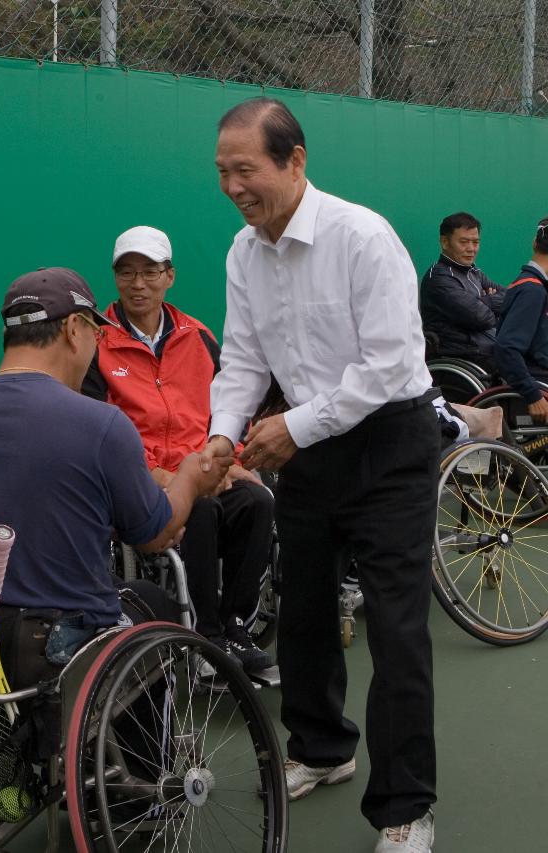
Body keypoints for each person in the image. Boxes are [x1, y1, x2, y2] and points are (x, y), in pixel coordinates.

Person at [205, 97, 438, 852]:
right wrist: (218, 437)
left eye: (247, 169)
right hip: (304, 447)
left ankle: (407, 806)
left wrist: (293, 427)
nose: (234, 186)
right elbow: (241, 359)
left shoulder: (361, 236)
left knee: (397, 628)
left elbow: (390, 365)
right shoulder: (244, 253)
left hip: (390, 446)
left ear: (294, 160)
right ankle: (320, 748)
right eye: (222, 172)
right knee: (302, 609)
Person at [0, 266, 227, 639]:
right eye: (96, 331)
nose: (96, 344)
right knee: (154, 604)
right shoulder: (102, 424)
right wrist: (190, 478)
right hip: (63, 630)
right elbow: (155, 536)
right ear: (74, 329)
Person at [82, 225, 274, 675]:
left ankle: (237, 624)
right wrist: (156, 474)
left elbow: (231, 406)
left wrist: (231, 459)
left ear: (169, 276)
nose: (138, 284)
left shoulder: (198, 336)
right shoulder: (97, 343)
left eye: (149, 272)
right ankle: (206, 638)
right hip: (145, 481)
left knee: (259, 501)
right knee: (200, 512)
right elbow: (96, 427)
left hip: (204, 466)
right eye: (126, 273)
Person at [419, 211, 504, 369]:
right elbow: (481, 318)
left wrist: (481, 302)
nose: (471, 249)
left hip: (489, 346)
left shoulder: (474, 272)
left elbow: (510, 297)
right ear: (445, 242)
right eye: (464, 242)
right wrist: (489, 304)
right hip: (466, 354)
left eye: (475, 242)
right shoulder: (439, 278)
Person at [493, 218, 548, 423]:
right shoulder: (532, 290)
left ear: (535, 243)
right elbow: (506, 347)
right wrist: (532, 393)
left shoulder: (532, 286)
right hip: (537, 381)